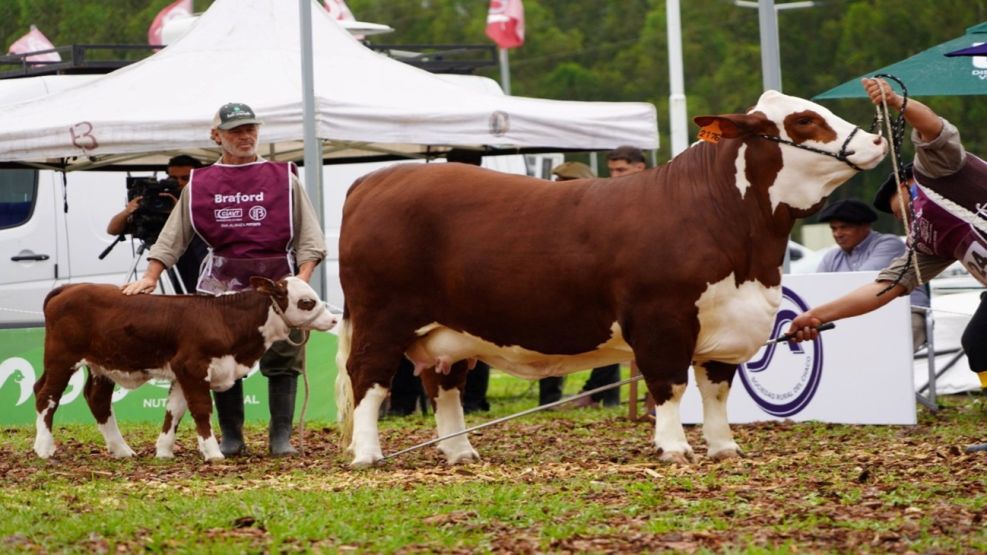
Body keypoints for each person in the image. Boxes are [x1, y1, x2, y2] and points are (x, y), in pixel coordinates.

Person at [786, 77, 987, 453]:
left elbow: (934, 128)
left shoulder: (938, 171)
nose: (904, 221)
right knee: (979, 343)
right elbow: (883, 288)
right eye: (898, 219)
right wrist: (816, 315)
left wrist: (896, 102)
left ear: (907, 183)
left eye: (900, 209)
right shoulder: (927, 242)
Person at [122, 102, 327, 457]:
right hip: (221, 284)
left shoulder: (284, 178)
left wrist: (299, 281)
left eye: (250, 129)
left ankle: (280, 438)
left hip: (277, 283)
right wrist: (151, 276)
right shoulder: (200, 183)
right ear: (216, 136)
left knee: (283, 359)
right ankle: (232, 437)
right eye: (235, 131)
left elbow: (310, 237)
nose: (245, 136)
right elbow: (173, 236)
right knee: (220, 360)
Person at [574, 146, 650, 408]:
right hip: (615, 276)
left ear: (639, 168)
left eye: (621, 170)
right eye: (612, 170)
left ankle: (599, 394)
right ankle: (600, 394)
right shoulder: (611, 198)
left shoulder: (655, 196)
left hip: (647, 279)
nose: (615, 175)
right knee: (612, 337)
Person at [815, 198, 930, 350]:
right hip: (856, 316)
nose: (838, 234)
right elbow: (818, 289)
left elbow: (861, 282)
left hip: (905, 312)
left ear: (865, 226)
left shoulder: (889, 244)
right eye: (833, 229)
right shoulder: (831, 256)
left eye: (844, 227)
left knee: (891, 351)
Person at [106, 154, 208, 294]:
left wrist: (179, 213)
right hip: (174, 271)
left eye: (185, 178)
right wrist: (128, 211)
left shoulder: (205, 201)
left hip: (200, 271)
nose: (179, 183)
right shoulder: (155, 202)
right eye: (173, 178)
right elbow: (113, 229)